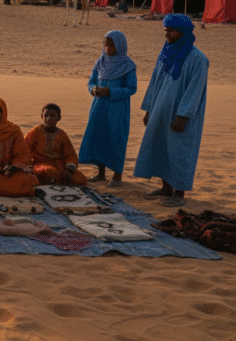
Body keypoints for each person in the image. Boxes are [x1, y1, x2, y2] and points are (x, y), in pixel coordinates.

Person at [133, 14, 209, 207]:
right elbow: (155, 81)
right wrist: (149, 109)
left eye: (171, 30)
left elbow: (195, 90)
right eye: (165, 30)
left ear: (182, 32)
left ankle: (179, 193)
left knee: (180, 151)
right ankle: (165, 188)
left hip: (181, 114)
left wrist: (183, 115)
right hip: (160, 109)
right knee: (161, 148)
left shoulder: (198, 59)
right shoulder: (165, 53)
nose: (166, 34)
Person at [79, 30, 138, 186]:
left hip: (117, 109)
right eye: (106, 44)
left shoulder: (127, 65)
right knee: (100, 137)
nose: (108, 47)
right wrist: (93, 90)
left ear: (119, 45)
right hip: (99, 106)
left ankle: (117, 176)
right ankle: (101, 174)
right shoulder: (100, 62)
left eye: (111, 44)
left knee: (116, 138)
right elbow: (91, 81)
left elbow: (132, 88)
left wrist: (111, 91)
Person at [24, 103, 85, 186]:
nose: (49, 119)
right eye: (46, 116)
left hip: (58, 165)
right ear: (42, 116)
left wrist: (69, 169)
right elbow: (24, 150)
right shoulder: (35, 131)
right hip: (40, 164)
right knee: (50, 172)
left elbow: (70, 155)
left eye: (52, 116)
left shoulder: (62, 134)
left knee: (80, 179)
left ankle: (52, 180)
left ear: (59, 118)